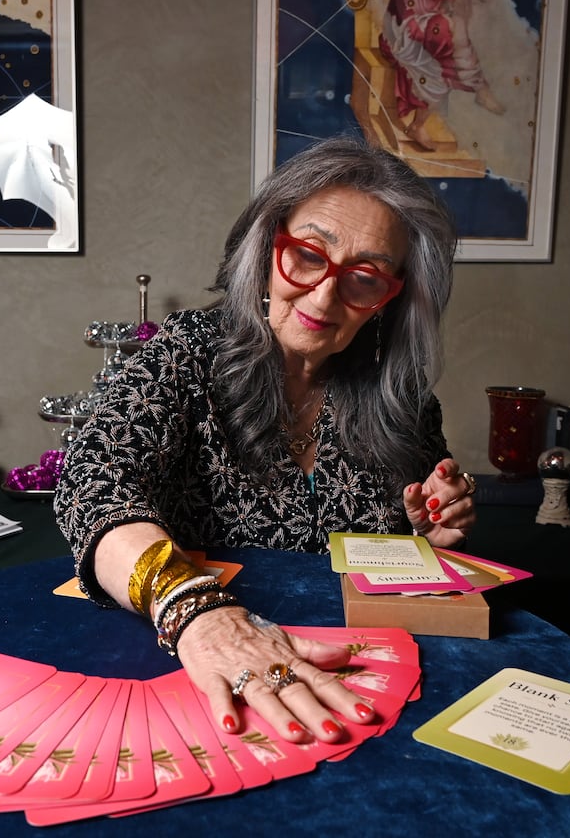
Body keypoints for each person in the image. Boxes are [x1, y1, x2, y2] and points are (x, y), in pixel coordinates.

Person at [54, 136, 476, 747]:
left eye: (365, 278)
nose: (326, 296)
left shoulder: (403, 401)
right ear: (265, 247)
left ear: (390, 299)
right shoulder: (184, 355)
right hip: (198, 670)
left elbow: (395, 558)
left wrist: (430, 536)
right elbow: (93, 484)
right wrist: (194, 612)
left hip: (357, 683)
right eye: (308, 255)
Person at [378, 0, 505, 152]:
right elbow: (405, 16)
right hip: (403, 33)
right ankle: (478, 86)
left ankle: (478, 86)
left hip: (431, 30)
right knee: (447, 39)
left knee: (451, 34)